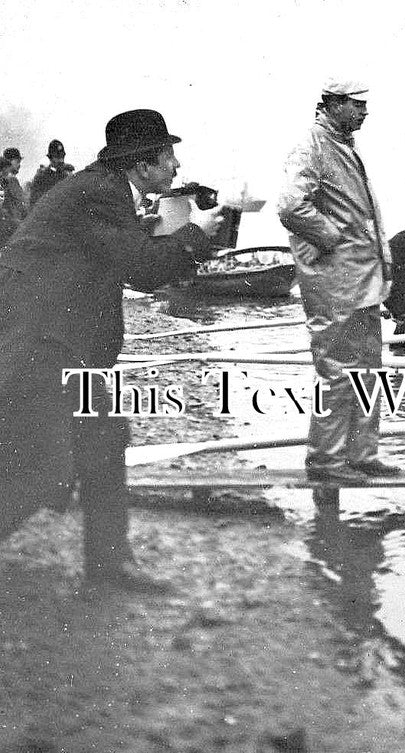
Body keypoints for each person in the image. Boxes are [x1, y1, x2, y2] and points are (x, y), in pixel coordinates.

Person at [0, 108, 225, 591]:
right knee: (40, 469)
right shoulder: (99, 194)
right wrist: (196, 234)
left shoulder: (101, 189)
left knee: (102, 443)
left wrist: (162, 226)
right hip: (40, 343)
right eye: (170, 158)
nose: (177, 169)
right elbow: (141, 270)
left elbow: (117, 251)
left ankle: (109, 568)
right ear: (143, 165)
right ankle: (108, 567)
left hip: (55, 341)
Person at [278, 78, 399, 483]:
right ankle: (327, 462)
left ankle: (362, 454)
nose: (365, 111)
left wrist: (383, 262)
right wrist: (332, 239)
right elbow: (292, 206)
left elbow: (360, 214)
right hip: (336, 282)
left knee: (369, 369)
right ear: (332, 104)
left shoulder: (344, 145)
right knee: (336, 370)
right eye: (357, 104)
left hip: (363, 279)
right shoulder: (311, 146)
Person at [28, 139, 75, 207]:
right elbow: (35, 203)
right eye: (57, 157)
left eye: (62, 157)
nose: (61, 160)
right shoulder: (41, 178)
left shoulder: (66, 176)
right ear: (50, 158)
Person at [1, 146, 28, 223]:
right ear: (9, 161)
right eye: (17, 161)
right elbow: (22, 202)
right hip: (15, 222)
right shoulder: (11, 179)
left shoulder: (3, 178)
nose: (19, 165)